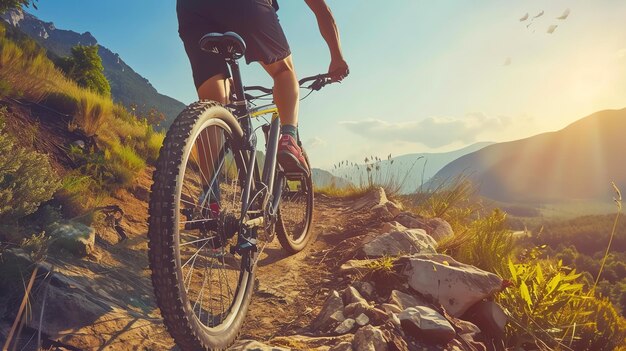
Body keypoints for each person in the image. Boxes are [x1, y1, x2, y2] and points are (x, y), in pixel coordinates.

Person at [176, 0, 349, 174]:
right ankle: (289, 137)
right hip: (245, 7)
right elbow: (322, 10)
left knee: (213, 106)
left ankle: (209, 197)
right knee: (284, 71)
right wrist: (337, 56)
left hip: (191, 9)